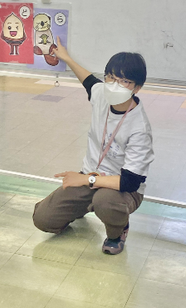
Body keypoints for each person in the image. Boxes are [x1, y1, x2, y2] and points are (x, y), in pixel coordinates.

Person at [33, 37, 154, 254]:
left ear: (137, 87)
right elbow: (88, 80)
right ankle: (82, 207)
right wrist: (66, 57)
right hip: (90, 177)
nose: (114, 85)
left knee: (105, 200)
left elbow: (130, 181)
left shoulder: (140, 128)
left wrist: (86, 179)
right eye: (110, 77)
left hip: (121, 190)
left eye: (124, 81)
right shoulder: (101, 94)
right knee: (43, 219)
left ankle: (117, 232)